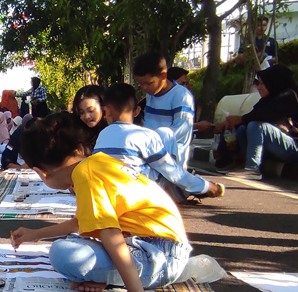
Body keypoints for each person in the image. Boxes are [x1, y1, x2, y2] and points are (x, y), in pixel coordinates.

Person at [9, 113, 191, 292]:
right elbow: (79, 223)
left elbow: (110, 233)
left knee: (63, 253)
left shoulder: (85, 175)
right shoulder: (96, 163)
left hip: (159, 256)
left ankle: (126, 282)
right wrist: (35, 234)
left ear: (41, 172)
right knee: (75, 242)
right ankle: (106, 275)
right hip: (158, 246)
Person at [93, 84, 223, 200]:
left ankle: (187, 188)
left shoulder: (102, 135)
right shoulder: (145, 135)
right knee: (166, 135)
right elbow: (171, 171)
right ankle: (181, 192)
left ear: (106, 111)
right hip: (139, 193)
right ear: (137, 111)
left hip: (109, 191)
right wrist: (206, 186)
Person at [215, 65, 298, 180]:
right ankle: (243, 163)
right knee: (243, 128)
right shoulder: (268, 99)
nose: (258, 87)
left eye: (262, 83)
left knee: (256, 125)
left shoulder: (288, 96)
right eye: (257, 83)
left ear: (273, 82)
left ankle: (252, 168)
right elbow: (252, 115)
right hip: (282, 146)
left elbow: (261, 115)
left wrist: (240, 119)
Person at [132, 52, 195, 169]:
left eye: (148, 83)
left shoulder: (181, 96)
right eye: (141, 84)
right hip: (150, 159)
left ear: (163, 76)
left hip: (171, 163)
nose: (145, 88)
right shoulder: (151, 94)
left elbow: (179, 133)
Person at [70, 84, 106, 152]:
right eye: (81, 112)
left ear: (103, 107)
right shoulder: (77, 135)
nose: (86, 116)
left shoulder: (113, 132)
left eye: (91, 110)